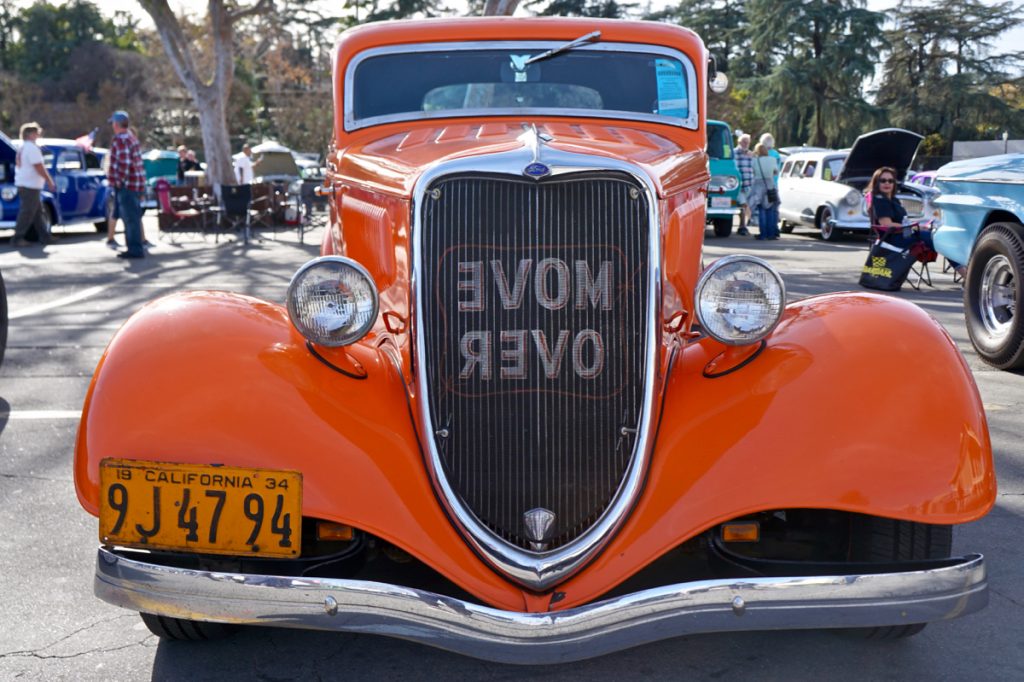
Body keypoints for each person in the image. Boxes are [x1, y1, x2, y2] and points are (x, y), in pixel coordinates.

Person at [867, 166, 965, 276]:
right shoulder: (880, 200)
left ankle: (965, 270)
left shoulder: (893, 200)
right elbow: (887, 224)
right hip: (893, 239)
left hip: (903, 235)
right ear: (876, 182)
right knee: (937, 239)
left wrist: (918, 226)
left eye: (890, 181)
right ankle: (965, 273)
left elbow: (903, 222)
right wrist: (914, 227)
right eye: (883, 180)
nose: (887, 183)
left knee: (937, 237)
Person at [106, 110, 147, 259]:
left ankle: (134, 249)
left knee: (130, 219)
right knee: (133, 218)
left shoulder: (120, 140)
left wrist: (118, 181)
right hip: (135, 184)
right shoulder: (131, 138)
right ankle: (135, 246)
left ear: (116, 124)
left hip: (126, 185)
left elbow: (124, 163)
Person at [11, 122, 56, 248]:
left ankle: (45, 236)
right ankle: (17, 238)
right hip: (29, 185)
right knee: (27, 212)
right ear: (30, 134)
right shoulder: (31, 148)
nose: (38, 135)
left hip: (26, 183)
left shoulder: (22, 147)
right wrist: (49, 180)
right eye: (36, 133)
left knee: (37, 212)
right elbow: (39, 166)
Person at [750, 142, 780, 240]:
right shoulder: (773, 159)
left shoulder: (755, 160)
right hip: (770, 186)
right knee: (771, 211)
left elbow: (753, 172)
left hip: (758, 187)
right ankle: (771, 234)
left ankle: (763, 234)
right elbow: (776, 172)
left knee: (761, 211)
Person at [734, 133, 754, 236]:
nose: (746, 144)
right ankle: (742, 226)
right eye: (744, 142)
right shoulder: (734, 153)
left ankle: (744, 225)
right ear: (739, 142)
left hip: (749, 184)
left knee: (746, 206)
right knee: (743, 205)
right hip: (738, 185)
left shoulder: (751, 154)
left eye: (747, 142)